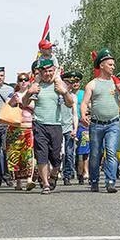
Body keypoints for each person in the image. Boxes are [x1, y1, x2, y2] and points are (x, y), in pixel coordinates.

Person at [80, 48, 120, 193]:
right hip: (96, 124)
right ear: (101, 65)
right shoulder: (92, 84)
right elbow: (84, 102)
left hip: (113, 123)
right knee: (95, 154)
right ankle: (94, 180)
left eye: (113, 65)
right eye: (110, 64)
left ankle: (110, 181)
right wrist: (83, 114)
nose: (113, 67)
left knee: (111, 152)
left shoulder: (117, 83)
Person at [23, 58, 74, 194]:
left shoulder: (59, 84)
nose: (48, 74)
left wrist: (64, 92)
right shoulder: (36, 85)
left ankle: (54, 173)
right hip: (39, 124)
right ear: (40, 72)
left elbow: (69, 103)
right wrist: (29, 92)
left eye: (50, 71)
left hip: (56, 124)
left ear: (54, 71)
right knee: (41, 155)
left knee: (56, 156)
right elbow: (24, 102)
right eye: (45, 71)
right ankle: (45, 183)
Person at [6, 71, 37, 192]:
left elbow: (35, 107)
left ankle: (29, 179)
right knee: (15, 155)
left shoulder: (32, 93)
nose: (23, 82)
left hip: (28, 126)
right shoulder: (13, 94)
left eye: (25, 79)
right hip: (14, 128)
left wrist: (24, 102)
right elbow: (7, 107)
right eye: (20, 80)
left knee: (28, 154)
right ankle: (18, 181)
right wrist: (14, 101)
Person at [60, 70, 84, 185]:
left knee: (69, 152)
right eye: (67, 82)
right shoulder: (57, 94)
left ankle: (67, 175)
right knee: (58, 153)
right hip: (57, 126)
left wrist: (75, 128)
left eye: (71, 82)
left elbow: (74, 114)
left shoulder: (73, 96)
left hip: (68, 127)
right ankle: (54, 172)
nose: (69, 85)